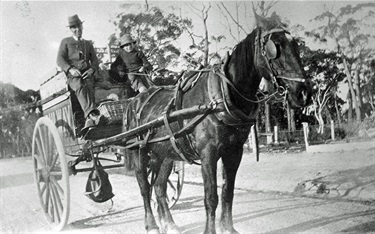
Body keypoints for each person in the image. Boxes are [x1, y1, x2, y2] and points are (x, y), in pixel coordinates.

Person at [56, 14, 106, 129]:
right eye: (74, 27)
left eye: (78, 26)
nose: (77, 30)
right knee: (79, 86)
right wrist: (70, 69)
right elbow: (60, 60)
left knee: (89, 84)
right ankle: (91, 115)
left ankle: (90, 117)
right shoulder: (66, 42)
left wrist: (91, 70)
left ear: (82, 27)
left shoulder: (87, 44)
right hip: (73, 77)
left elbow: (94, 60)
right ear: (70, 29)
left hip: (87, 74)